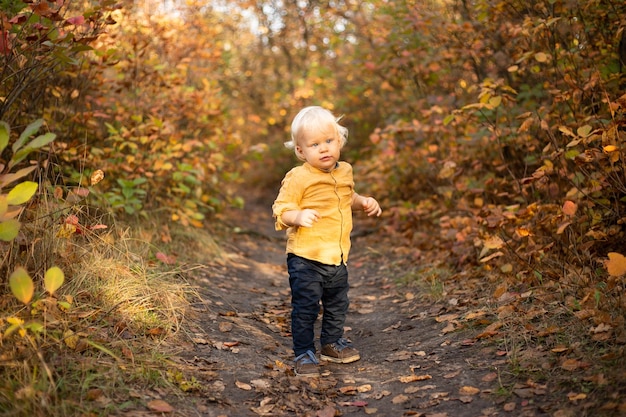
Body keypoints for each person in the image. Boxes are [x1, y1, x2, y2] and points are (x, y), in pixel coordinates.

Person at [272, 106, 382, 377]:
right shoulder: (299, 177)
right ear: (301, 151)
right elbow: (281, 209)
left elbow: (348, 198)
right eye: (314, 144)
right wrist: (297, 215)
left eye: (329, 141)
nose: (324, 148)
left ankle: (331, 344)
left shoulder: (345, 171)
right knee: (306, 306)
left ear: (339, 141)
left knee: (337, 304)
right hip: (305, 257)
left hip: (337, 255)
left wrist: (364, 202)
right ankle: (304, 352)